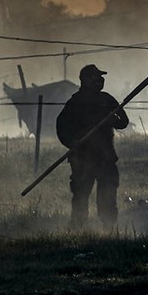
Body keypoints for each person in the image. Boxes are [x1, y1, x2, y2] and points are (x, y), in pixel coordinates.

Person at [56, 64, 129, 229]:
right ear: (87, 80)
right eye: (97, 77)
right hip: (82, 158)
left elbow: (123, 122)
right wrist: (71, 142)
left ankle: (109, 228)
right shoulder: (75, 102)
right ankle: (76, 228)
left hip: (105, 158)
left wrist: (113, 120)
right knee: (81, 195)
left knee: (108, 195)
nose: (101, 80)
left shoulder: (107, 100)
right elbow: (61, 127)